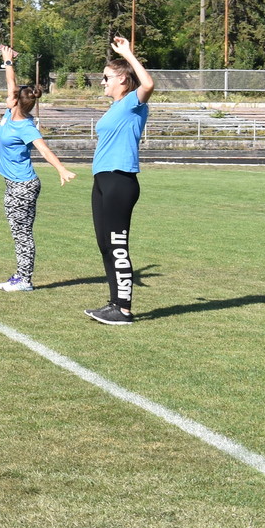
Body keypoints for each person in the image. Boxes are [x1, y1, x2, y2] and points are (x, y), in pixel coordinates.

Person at [0, 44, 76, 292]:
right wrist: (8, 60)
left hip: (23, 186)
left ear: (18, 101)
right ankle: (20, 275)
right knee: (17, 230)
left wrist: (61, 169)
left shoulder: (26, 127)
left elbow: (44, 150)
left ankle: (25, 279)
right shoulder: (11, 111)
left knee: (22, 233)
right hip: (14, 184)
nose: (9, 94)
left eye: (13, 94)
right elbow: (11, 82)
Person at [87, 36, 153, 325]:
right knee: (104, 244)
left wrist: (128, 53)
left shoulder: (132, 103)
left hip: (120, 180)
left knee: (117, 243)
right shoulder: (115, 107)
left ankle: (124, 310)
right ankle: (114, 303)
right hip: (102, 179)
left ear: (123, 80)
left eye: (106, 77)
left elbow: (148, 84)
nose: (102, 82)